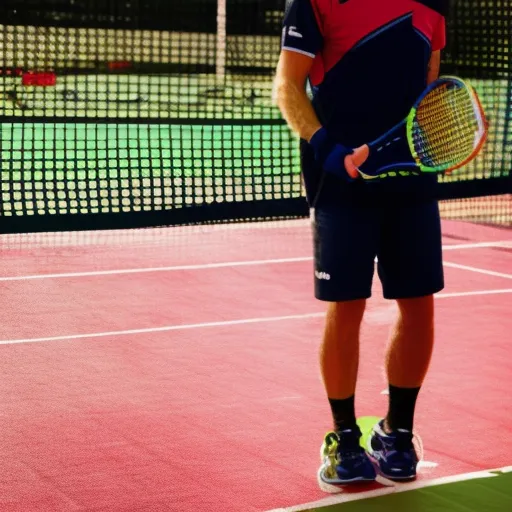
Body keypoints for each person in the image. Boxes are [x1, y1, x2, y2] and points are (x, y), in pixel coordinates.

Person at [274, 0, 448, 485]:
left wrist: (437, 138)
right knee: (346, 306)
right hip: (341, 183)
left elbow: (429, 85)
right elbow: (288, 85)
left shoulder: (434, 3)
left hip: (412, 181)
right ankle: (346, 439)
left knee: (419, 306)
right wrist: (326, 148)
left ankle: (398, 435)